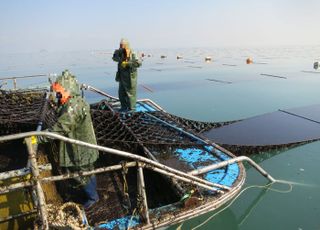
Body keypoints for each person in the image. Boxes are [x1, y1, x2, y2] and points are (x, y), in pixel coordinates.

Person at [49, 70, 99, 209]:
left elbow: (61, 127)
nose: (57, 95)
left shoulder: (74, 106)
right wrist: (58, 105)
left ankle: (93, 197)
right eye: (56, 93)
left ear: (68, 90)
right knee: (88, 170)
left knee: (81, 172)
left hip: (81, 149)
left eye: (59, 93)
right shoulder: (74, 101)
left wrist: (38, 137)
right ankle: (92, 192)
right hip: (83, 145)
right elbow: (64, 113)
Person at [112, 39, 142, 112]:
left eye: (122, 45)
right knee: (121, 93)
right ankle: (123, 107)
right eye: (120, 45)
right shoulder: (119, 52)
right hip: (121, 77)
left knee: (130, 94)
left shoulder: (133, 53)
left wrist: (128, 63)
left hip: (130, 77)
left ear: (126, 45)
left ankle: (132, 109)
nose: (121, 47)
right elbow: (114, 58)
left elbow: (139, 63)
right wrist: (119, 58)